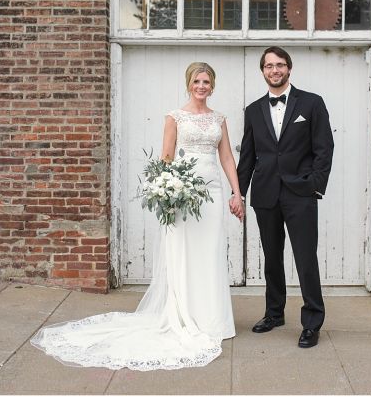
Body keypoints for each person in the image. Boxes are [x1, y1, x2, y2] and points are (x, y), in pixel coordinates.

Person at [31, 62, 240, 370]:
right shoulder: (174, 117)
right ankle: (184, 316)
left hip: (212, 193)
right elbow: (166, 157)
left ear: (213, 85)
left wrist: (237, 192)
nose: (202, 85)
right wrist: (168, 193)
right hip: (183, 194)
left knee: (209, 254)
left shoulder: (219, 119)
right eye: (197, 80)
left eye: (206, 81)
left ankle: (213, 320)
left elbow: (226, 156)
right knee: (184, 254)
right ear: (188, 84)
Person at [234, 46, 334, 348]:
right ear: (262, 71)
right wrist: (238, 192)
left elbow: (324, 149)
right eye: (268, 66)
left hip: (300, 193)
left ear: (289, 68)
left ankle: (312, 321)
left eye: (279, 65)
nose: (274, 70)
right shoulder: (253, 110)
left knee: (305, 259)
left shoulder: (312, 103)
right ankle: (274, 313)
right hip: (265, 194)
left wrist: (315, 185)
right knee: (272, 259)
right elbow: (248, 157)